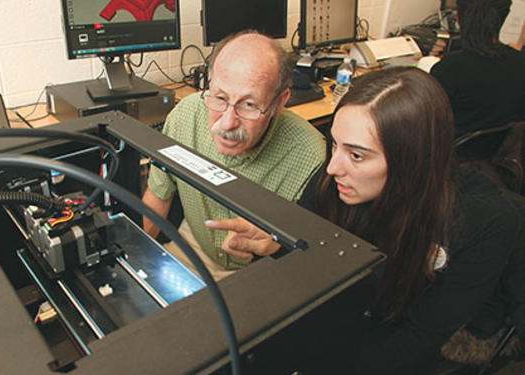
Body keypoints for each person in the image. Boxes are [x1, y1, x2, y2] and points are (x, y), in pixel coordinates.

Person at [206, 67, 525, 374]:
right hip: (344, 319)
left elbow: (417, 341)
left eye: (356, 155)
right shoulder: (340, 178)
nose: (332, 167)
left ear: (410, 161)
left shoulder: (486, 222)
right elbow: (308, 264)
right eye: (334, 144)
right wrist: (278, 244)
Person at [142, 30, 326, 280]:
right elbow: (158, 197)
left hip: (259, 272)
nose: (227, 123)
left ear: (279, 103)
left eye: (249, 105)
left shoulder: (311, 155)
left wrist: (276, 246)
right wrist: (135, 257)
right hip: (192, 245)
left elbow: (308, 257)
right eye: (219, 97)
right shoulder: (184, 115)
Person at [430, 0, 525, 138]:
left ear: (458, 19)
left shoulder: (448, 69)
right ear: (505, 17)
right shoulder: (520, 63)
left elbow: (428, 123)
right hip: (504, 153)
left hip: (453, 154)